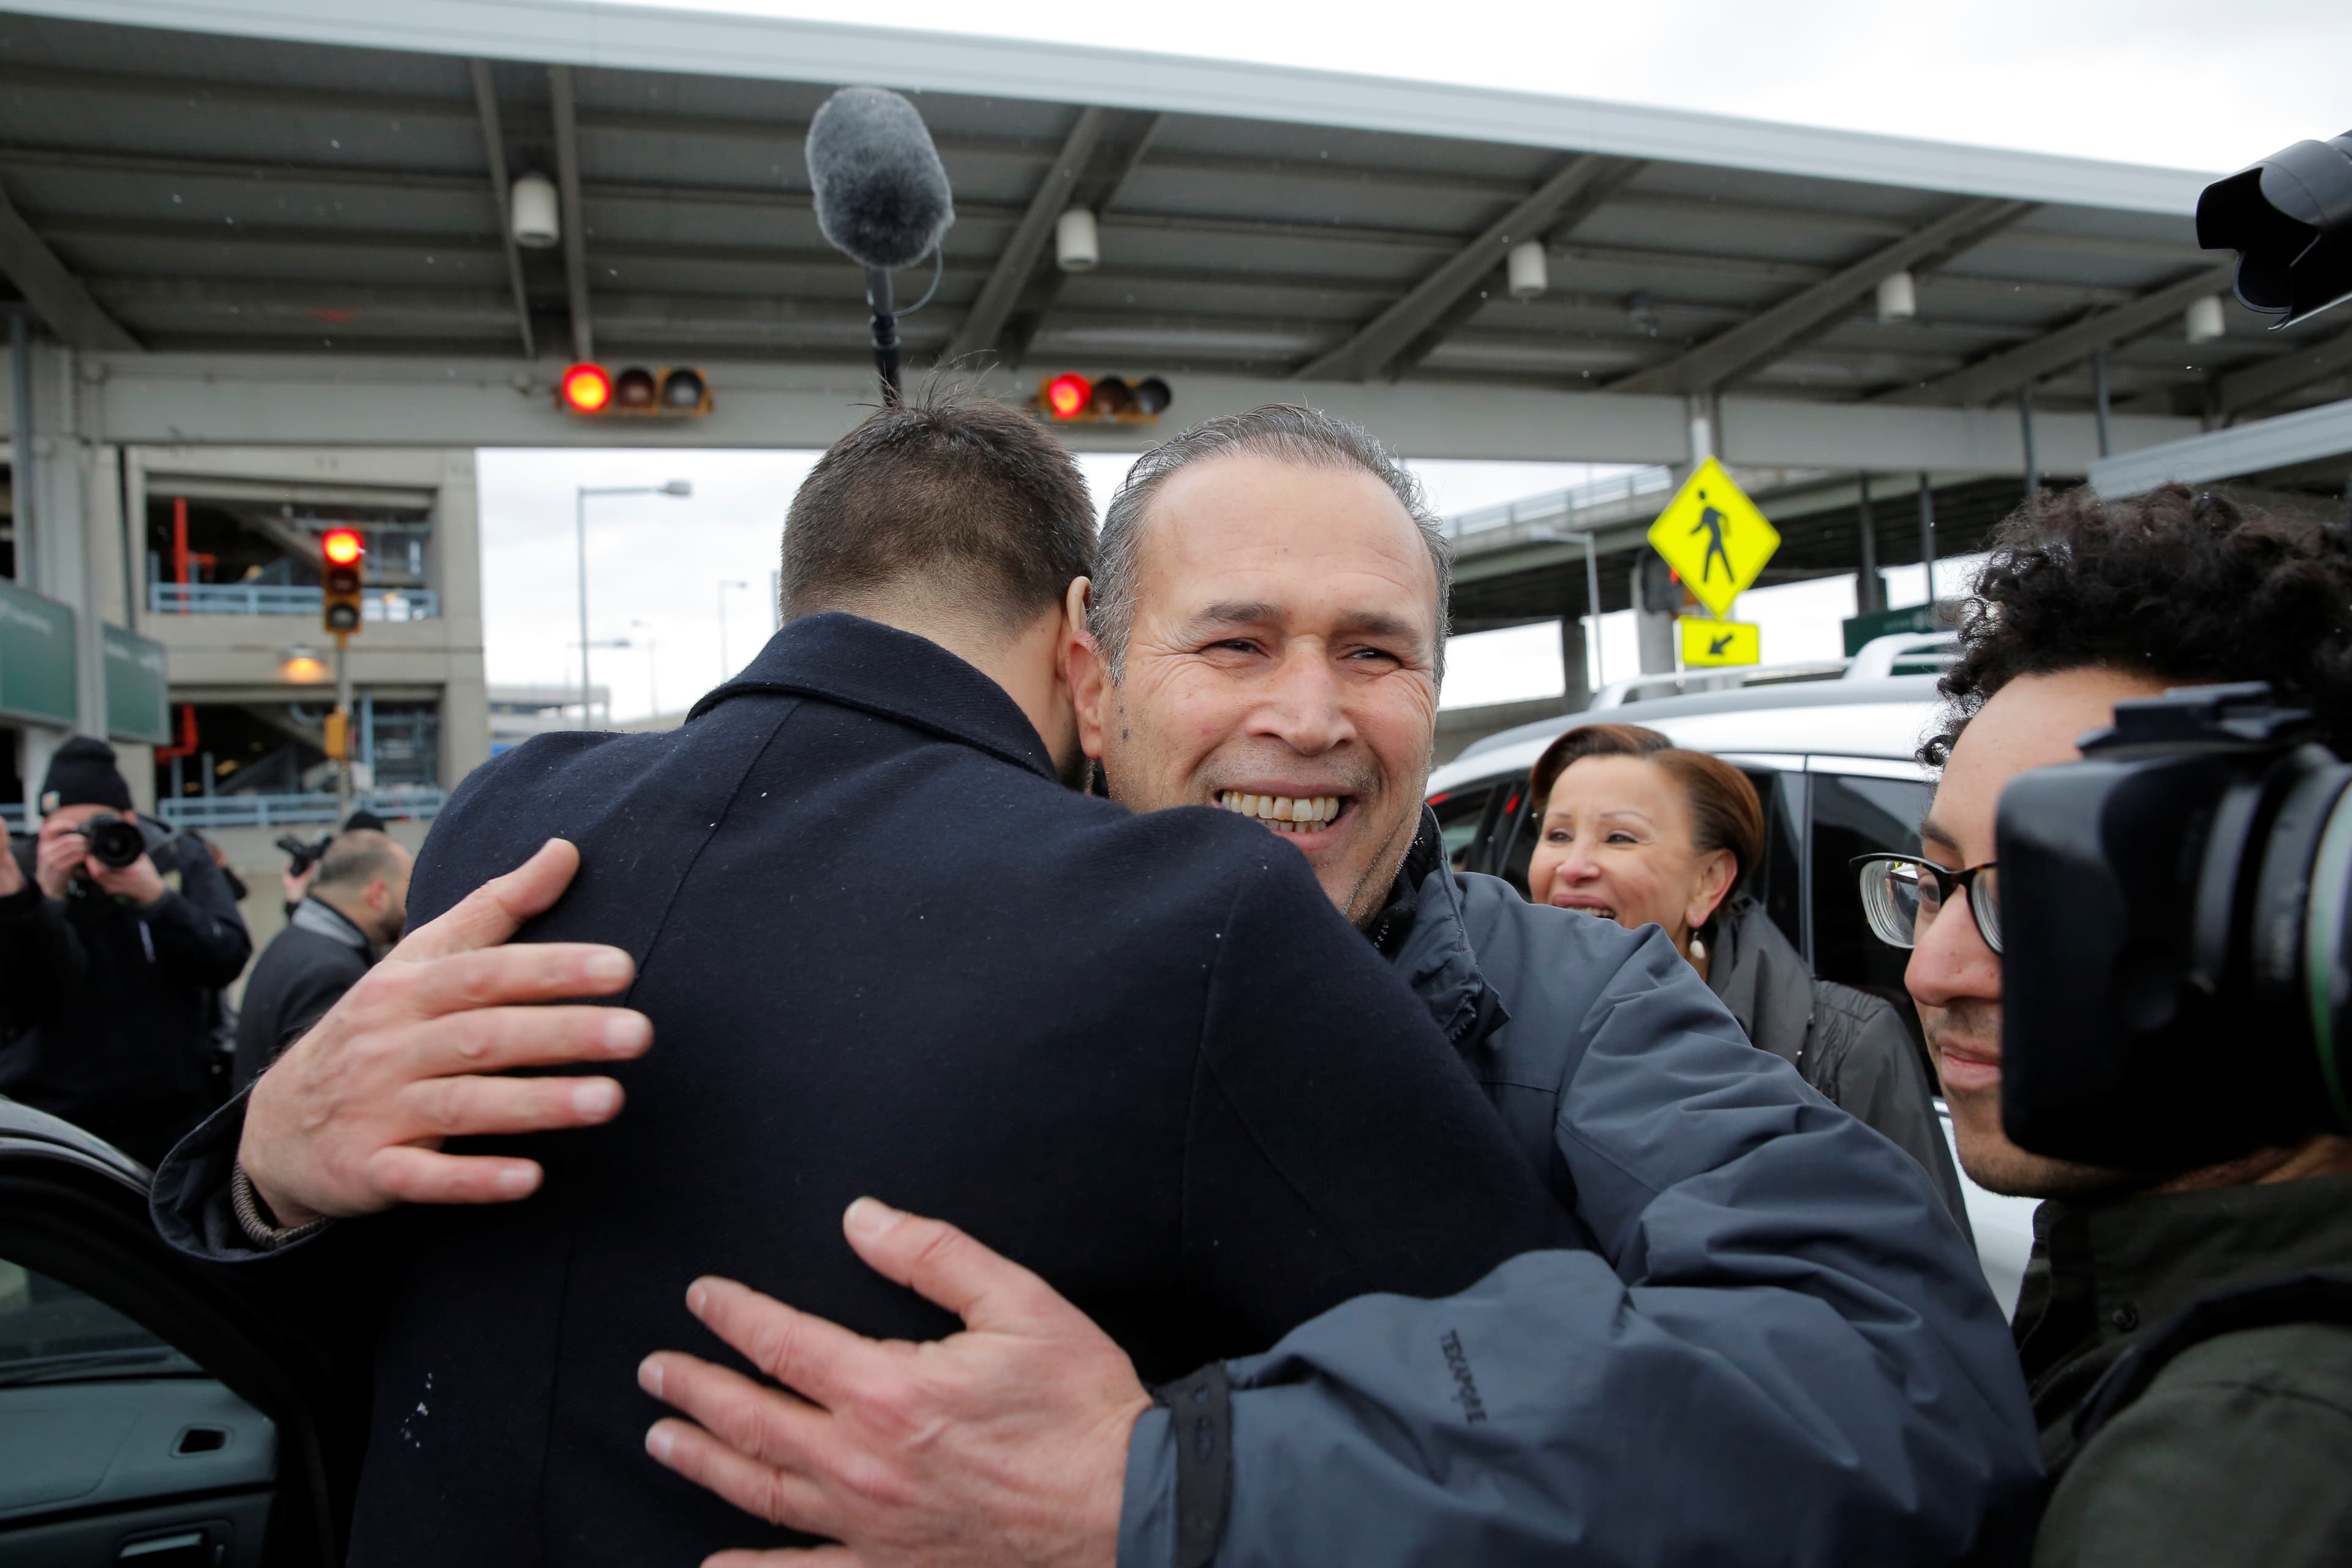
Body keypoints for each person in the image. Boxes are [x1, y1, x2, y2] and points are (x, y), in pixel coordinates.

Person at [149, 390, 1577, 1567]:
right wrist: (1146, 1476)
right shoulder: (1183, 912)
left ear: (806, 593)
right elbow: (1540, 1392)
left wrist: (258, 1166)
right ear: (1082, 644)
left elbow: (393, 1324)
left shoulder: (505, 826)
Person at [631, 406, 2037, 1566]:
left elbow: (1902, 1388)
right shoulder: (883, 961)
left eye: (1370, 651)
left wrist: (1175, 1484)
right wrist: (394, 1169)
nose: (1307, 717)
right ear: (1090, 668)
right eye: (1236, 643)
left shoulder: (1578, 1003)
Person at [1872, 484, 2352, 1565]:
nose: (1932, 968)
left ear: (2309, 914)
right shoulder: (2140, 1295)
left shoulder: (2244, 1463)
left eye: (2045, 897)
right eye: (1937, 884)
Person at [1521, 720, 1967, 1223]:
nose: (1574, 866)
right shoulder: (1503, 1029)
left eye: (1619, 838)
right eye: (1558, 834)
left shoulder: (1846, 1047)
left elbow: (1924, 1281)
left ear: (1708, 882)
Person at [0, 737, 251, 1165]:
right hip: (55, 1123)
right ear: (43, 830)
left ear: (131, 820)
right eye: (68, 833)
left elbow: (227, 956)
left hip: (170, 1120)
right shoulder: (19, 884)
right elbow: (21, 996)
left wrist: (156, 899)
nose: (87, 846)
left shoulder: (174, 859)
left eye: (101, 828)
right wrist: (44, 902)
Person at [233, 827, 413, 1088]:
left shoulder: (294, 941)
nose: (409, 907)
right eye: (406, 892)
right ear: (379, 896)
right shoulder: (331, 974)